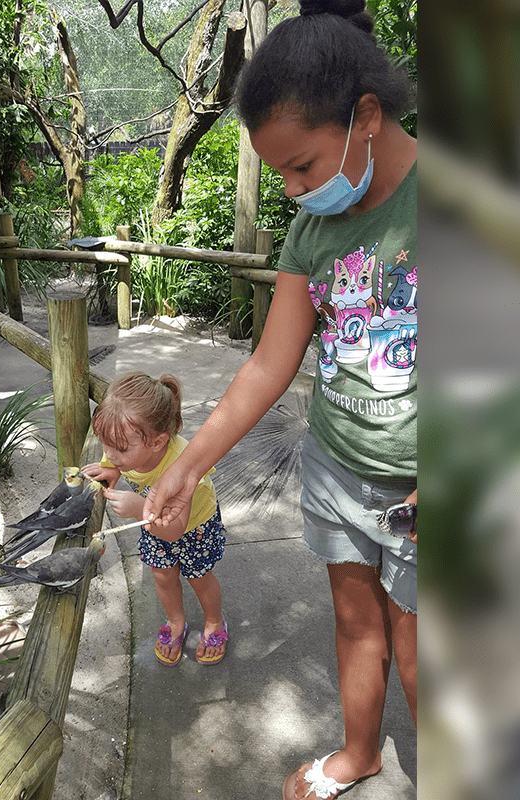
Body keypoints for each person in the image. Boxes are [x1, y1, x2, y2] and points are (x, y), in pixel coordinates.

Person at [140, 0, 416, 796]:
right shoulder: (314, 230)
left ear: (365, 116)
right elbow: (270, 363)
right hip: (337, 467)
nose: (294, 190)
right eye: (280, 172)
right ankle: (361, 754)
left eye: (303, 166)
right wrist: (189, 464)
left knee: (422, 644)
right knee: (358, 624)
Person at [82, 372, 230, 666]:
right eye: (104, 443)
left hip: (192, 526)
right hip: (153, 522)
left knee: (198, 577)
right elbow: (114, 456)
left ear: (158, 441)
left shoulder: (182, 467)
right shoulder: (125, 448)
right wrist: (111, 468)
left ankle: (214, 622)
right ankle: (176, 622)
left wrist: (139, 508)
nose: (109, 453)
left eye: (119, 449)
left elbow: (175, 531)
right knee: (162, 576)